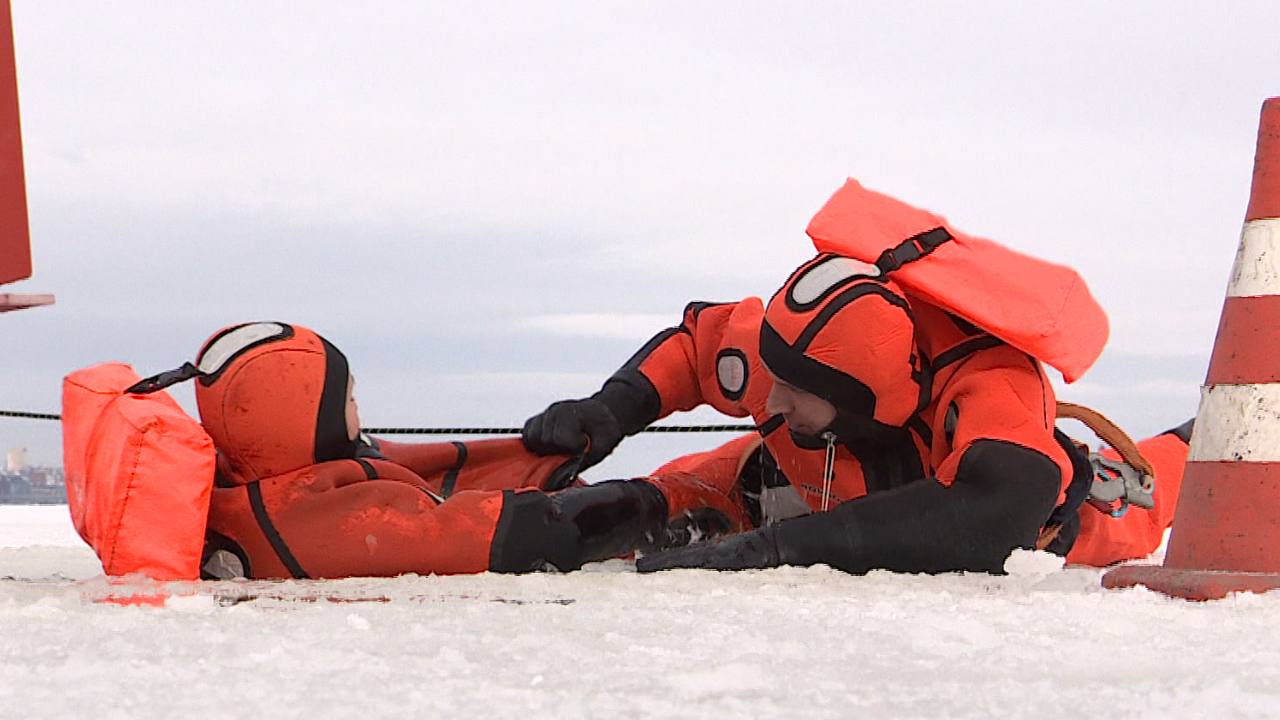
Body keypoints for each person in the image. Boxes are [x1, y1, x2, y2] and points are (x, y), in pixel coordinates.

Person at [521, 178, 1191, 573]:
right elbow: (700, 351)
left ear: (866, 400)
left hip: (1020, 514)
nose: (768, 398)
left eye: (794, 392)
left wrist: (775, 552)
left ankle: (1205, 434)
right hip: (788, 480)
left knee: (1165, 482)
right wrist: (609, 409)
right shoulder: (805, 351)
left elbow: (1000, 510)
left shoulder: (991, 384)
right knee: (663, 491)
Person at [190, 321, 712, 579]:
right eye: (348, 397)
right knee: (702, 486)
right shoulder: (309, 521)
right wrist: (646, 502)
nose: (358, 407)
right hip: (651, 510)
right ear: (303, 416)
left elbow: (429, 471)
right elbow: (514, 534)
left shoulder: (253, 482)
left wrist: (552, 451)